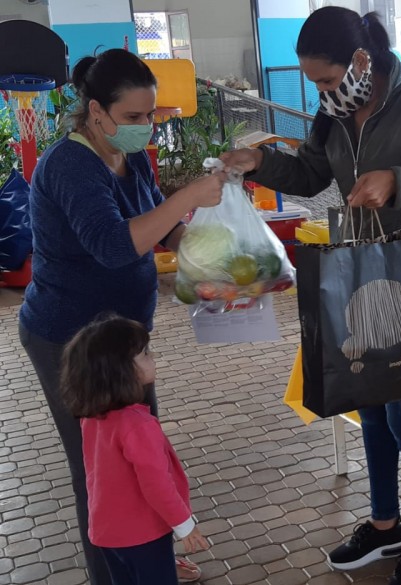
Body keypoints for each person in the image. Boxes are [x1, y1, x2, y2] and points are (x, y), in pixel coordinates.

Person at [220, 7, 401, 585]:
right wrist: (260, 163)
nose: (319, 91)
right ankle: (385, 524)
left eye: (324, 79)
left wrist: (399, 180)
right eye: (313, 82)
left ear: (361, 61)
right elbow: (315, 174)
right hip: (362, 268)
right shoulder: (338, 110)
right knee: (369, 405)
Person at [17, 48, 225, 584]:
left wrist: (208, 258)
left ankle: (148, 555)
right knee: (101, 472)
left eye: (150, 115)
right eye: (134, 117)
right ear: (96, 111)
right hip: (72, 342)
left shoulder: (127, 157)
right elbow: (115, 246)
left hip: (124, 337)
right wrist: (187, 199)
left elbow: (161, 228)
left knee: (143, 453)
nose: (145, 127)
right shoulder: (69, 166)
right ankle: (112, 574)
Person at [60, 314, 209, 585]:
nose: (152, 358)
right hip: (143, 535)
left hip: (106, 531)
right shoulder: (138, 425)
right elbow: (157, 484)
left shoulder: (92, 416)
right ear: (121, 371)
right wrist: (185, 525)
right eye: (144, 354)